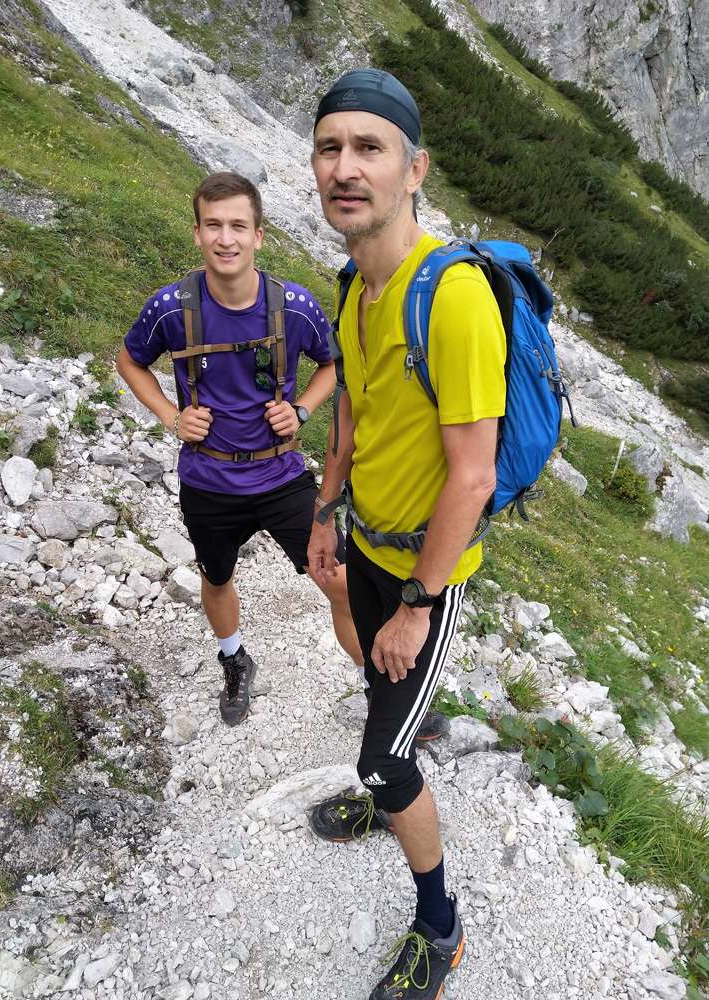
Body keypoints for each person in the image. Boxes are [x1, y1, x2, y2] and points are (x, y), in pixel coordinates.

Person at [307, 70, 507, 998]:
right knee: (373, 680)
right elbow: (352, 411)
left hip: (428, 569)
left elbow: (474, 475)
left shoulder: (453, 296)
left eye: (369, 148)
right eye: (329, 147)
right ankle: (390, 789)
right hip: (367, 541)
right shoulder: (356, 284)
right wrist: (325, 513)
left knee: (384, 757)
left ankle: (441, 925)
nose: (345, 168)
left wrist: (419, 604)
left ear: (414, 169)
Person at [116, 171, 361, 725]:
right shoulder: (171, 308)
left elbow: (333, 365)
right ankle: (234, 660)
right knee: (217, 577)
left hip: (281, 476)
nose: (225, 239)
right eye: (213, 225)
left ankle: (378, 685)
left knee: (341, 580)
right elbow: (130, 360)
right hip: (209, 481)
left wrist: (301, 410)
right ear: (197, 233)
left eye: (238, 226)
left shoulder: (293, 306)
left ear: (258, 235)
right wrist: (171, 416)